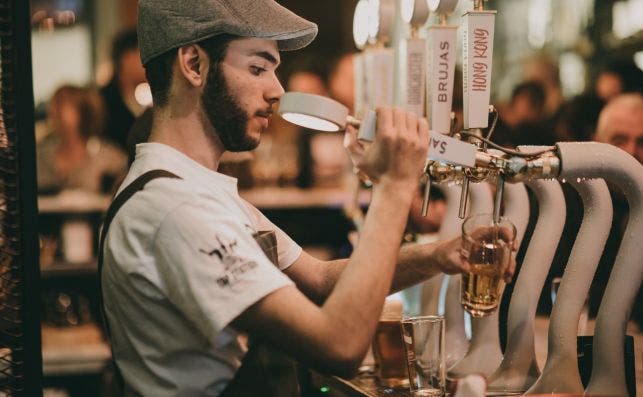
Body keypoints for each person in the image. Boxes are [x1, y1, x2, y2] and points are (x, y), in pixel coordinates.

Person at [101, 1, 512, 395]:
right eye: (258, 67)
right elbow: (339, 345)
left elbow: (320, 281)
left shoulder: (194, 187)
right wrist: (395, 185)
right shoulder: (175, 208)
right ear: (194, 65)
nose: (277, 90)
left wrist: (441, 256)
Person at [37, 85, 127, 194]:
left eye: (62, 103)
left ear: (83, 110)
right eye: (54, 104)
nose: (54, 110)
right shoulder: (41, 155)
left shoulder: (110, 158)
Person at [100, 28, 148, 151]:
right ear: (125, 58)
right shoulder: (103, 101)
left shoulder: (151, 92)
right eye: (141, 54)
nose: (147, 62)